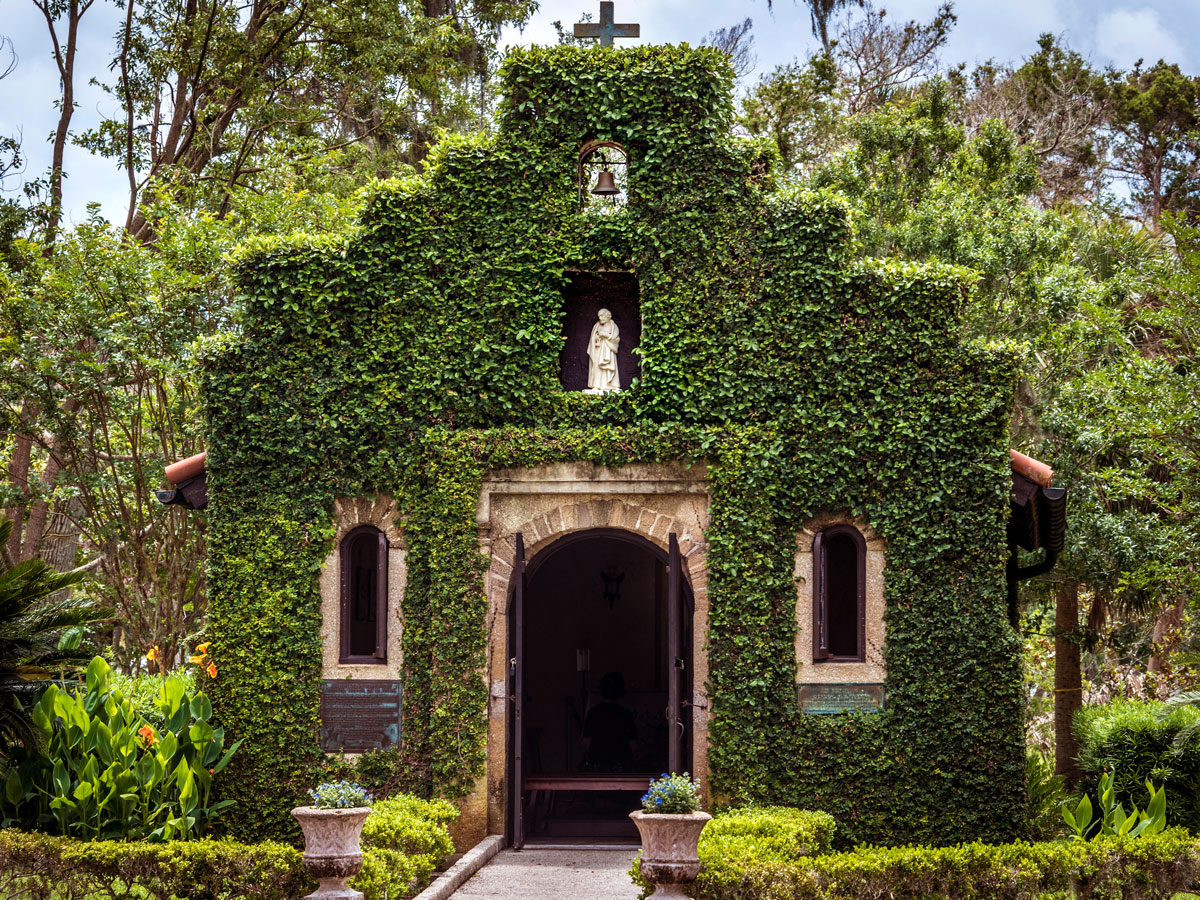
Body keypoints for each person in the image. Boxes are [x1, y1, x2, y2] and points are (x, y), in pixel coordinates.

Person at [582, 671, 638, 771]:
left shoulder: (593, 713)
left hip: (597, 765)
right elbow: (633, 746)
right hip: (621, 766)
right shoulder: (625, 714)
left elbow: (586, 744)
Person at [586, 308, 620, 393]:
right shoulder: (597, 325)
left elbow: (616, 339)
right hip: (598, 349)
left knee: (610, 367)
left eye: (602, 316)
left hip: (609, 349)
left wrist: (605, 336)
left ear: (608, 316)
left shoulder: (613, 326)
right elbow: (592, 338)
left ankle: (612, 385)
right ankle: (596, 385)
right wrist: (597, 337)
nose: (600, 318)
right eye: (599, 316)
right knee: (597, 367)